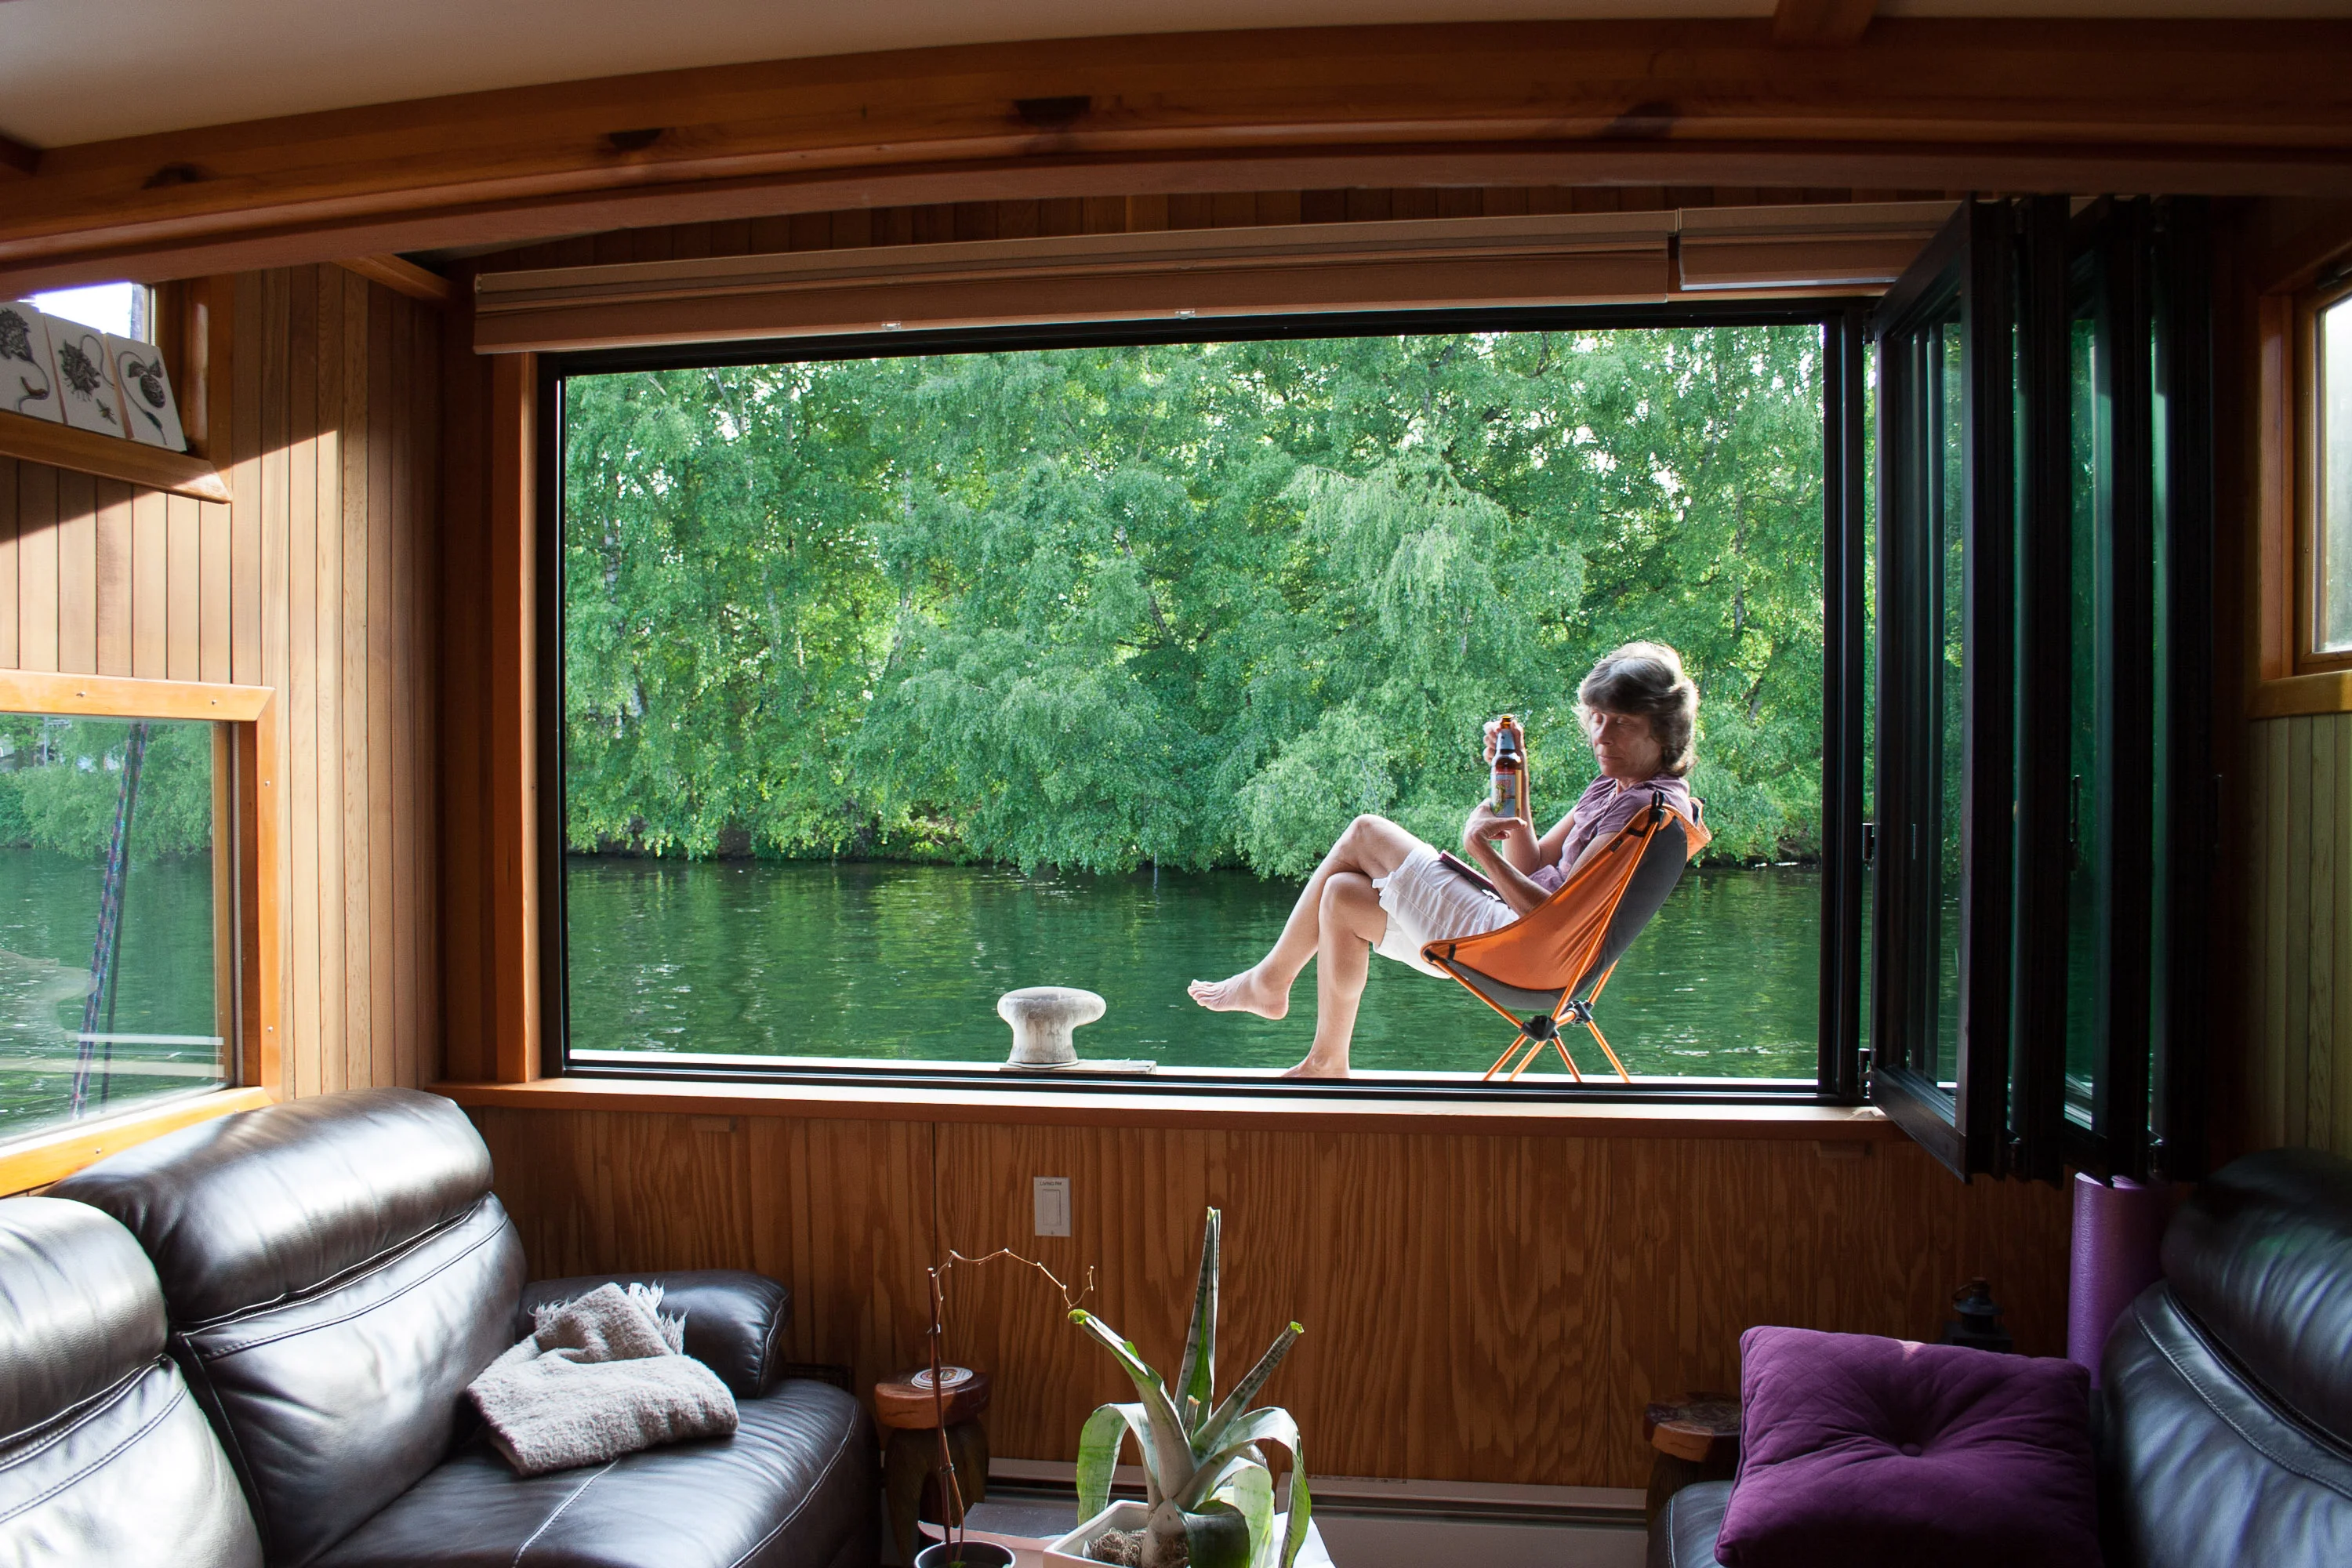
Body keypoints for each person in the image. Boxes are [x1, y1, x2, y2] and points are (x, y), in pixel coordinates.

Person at [1188, 641, 1701, 1078]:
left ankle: (1270, 981)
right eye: (1597, 718)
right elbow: (1533, 865)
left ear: (1663, 729)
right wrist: (1515, 780)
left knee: (1366, 832)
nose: (1602, 736)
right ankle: (1327, 1062)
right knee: (1342, 897)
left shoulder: (1641, 810)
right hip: (1528, 947)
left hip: (1527, 952)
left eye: (1622, 723)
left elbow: (1550, 917)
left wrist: (1480, 850)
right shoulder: (1618, 789)